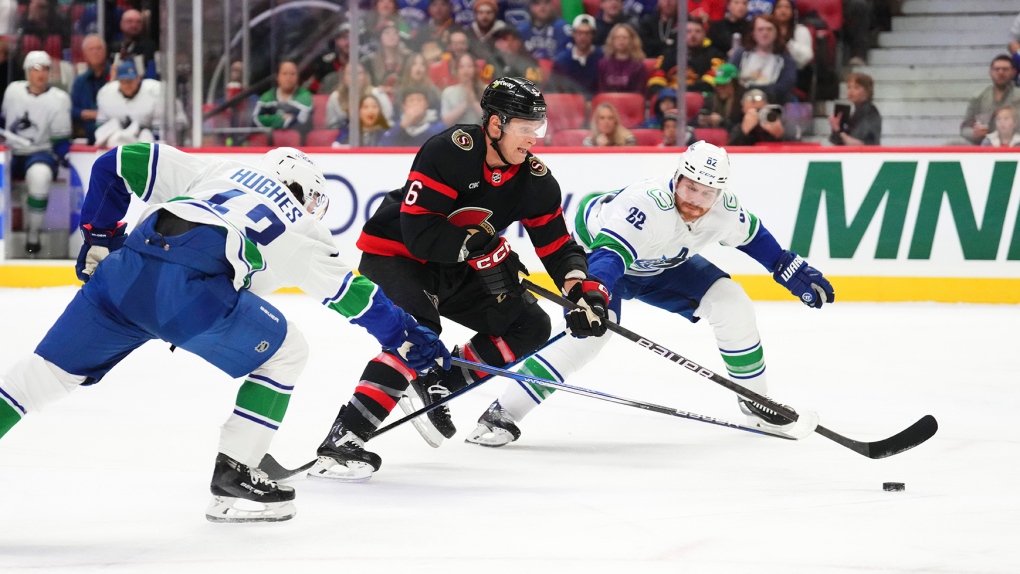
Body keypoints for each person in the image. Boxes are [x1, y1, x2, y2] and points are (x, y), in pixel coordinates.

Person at [0, 145, 450, 522]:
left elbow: (114, 163)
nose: (314, 211)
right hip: (188, 293)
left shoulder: (218, 170)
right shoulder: (300, 222)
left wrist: (100, 237)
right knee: (286, 351)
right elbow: (352, 294)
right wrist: (404, 335)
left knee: (38, 377)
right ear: (303, 191)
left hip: (125, 272)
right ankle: (235, 473)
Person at [310, 77, 608, 480]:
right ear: (496, 124)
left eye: (537, 128)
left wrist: (582, 291)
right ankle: (344, 438)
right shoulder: (449, 152)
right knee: (418, 332)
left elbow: (557, 246)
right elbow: (418, 235)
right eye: (525, 128)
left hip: (457, 267)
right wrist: (483, 250)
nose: (533, 139)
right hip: (395, 255)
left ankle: (440, 383)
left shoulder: (535, 180)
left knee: (530, 323)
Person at [466, 140, 834, 447]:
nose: (695, 199)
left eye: (707, 192)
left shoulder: (724, 209)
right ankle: (503, 412)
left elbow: (754, 238)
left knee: (732, 303)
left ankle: (755, 399)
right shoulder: (647, 205)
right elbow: (611, 257)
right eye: (690, 186)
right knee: (591, 335)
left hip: (663, 263)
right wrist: (592, 295)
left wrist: (787, 267)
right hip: (601, 259)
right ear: (677, 177)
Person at [0, 51, 72, 255]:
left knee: (40, 177)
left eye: (45, 69)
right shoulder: (13, 91)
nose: (40, 74)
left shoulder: (59, 99)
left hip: (41, 153)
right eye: (35, 68)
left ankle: (34, 232)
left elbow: (60, 140)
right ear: (27, 72)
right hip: (10, 152)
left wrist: (64, 156)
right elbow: (4, 121)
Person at [646, 18, 724, 97]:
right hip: (670, 97)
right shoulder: (668, 53)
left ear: (704, 35)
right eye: (688, 31)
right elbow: (656, 79)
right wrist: (667, 93)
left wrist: (685, 90)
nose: (693, 35)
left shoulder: (714, 55)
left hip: (699, 96)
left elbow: (710, 82)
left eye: (697, 31)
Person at [94, 60, 165, 146]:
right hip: (117, 142)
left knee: (146, 135)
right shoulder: (106, 93)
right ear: (118, 81)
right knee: (113, 137)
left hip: (145, 141)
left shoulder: (154, 91)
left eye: (130, 81)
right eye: (124, 81)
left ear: (138, 79)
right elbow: (100, 127)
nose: (127, 85)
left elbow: (159, 128)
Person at [729, 14, 796, 104]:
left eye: (769, 29)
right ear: (753, 33)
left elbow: (784, 87)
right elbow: (730, 78)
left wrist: (753, 91)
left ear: (776, 32)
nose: (765, 33)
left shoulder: (786, 59)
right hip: (741, 102)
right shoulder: (741, 54)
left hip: (772, 102)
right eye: (760, 29)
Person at [960, 55, 1020, 145]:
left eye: (1005, 69)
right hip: (987, 149)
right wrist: (974, 133)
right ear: (990, 72)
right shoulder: (978, 97)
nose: (1000, 72)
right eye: (997, 69)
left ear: (1013, 72)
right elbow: (964, 129)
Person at [253, 61, 314, 135]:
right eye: (284, 74)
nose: (288, 77)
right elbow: (256, 120)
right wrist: (281, 118)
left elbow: (301, 123)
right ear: (277, 77)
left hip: (297, 143)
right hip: (270, 142)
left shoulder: (305, 96)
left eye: (292, 74)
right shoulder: (268, 96)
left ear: (298, 77)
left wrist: (270, 119)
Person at [550, 14, 603, 98]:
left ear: (593, 35)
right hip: (569, 106)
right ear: (573, 34)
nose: (583, 37)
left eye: (587, 33)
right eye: (579, 33)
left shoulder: (602, 57)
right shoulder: (562, 60)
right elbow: (553, 89)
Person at [70, 34, 110, 144]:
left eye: (98, 48)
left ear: (105, 51)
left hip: (114, 137)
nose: (95, 52)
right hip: (88, 138)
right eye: (91, 49)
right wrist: (91, 114)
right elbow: (72, 110)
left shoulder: (116, 77)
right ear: (84, 54)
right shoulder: (80, 81)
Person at [378, 88, 446, 146]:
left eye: (419, 100)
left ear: (426, 104)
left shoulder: (439, 127)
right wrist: (403, 125)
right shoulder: (395, 126)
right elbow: (384, 144)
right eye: (411, 100)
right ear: (404, 106)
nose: (415, 103)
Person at [828, 72, 880, 146]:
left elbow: (861, 143)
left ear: (867, 91)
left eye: (856, 87)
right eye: (849, 87)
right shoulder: (856, 112)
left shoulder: (869, 112)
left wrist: (838, 130)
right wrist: (837, 129)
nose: (851, 91)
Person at [596, 23, 647, 94]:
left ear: (632, 40)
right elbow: (601, 90)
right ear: (612, 40)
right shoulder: (603, 64)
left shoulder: (638, 66)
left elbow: (638, 92)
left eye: (625, 38)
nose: (621, 40)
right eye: (618, 37)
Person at [109, 8, 158, 80]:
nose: (134, 25)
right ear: (121, 24)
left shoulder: (150, 47)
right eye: (130, 21)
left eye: (138, 22)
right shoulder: (113, 47)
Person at [697, 62, 745, 132]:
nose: (719, 88)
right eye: (718, 84)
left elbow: (742, 129)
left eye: (724, 84)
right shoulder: (711, 100)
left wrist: (722, 122)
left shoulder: (743, 103)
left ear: (734, 84)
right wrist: (701, 120)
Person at [441, 53, 485, 125]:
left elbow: (491, 119)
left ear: (475, 69)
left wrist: (474, 102)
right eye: (461, 67)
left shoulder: (486, 89)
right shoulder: (448, 92)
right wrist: (465, 104)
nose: (466, 70)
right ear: (456, 70)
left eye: (469, 66)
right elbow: (446, 121)